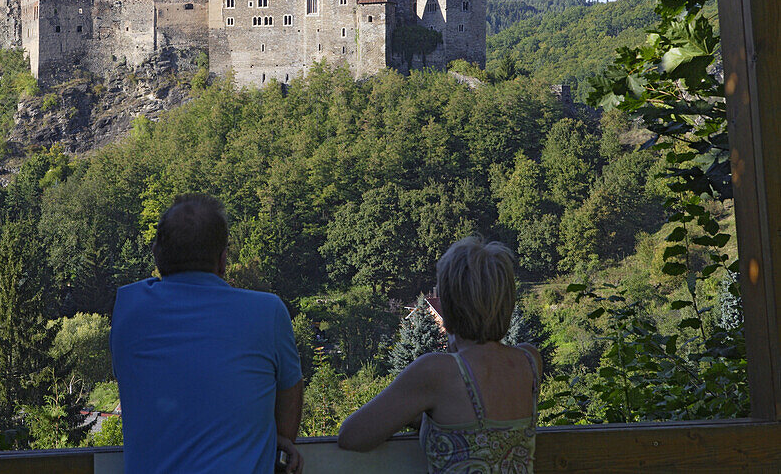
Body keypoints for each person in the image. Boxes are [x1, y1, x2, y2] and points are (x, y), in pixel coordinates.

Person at [110, 193, 304, 474]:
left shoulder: (129, 309)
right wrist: (281, 439)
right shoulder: (268, 312)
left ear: (156, 253)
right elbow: (290, 393)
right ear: (223, 259)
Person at [337, 236, 541, 473]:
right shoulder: (529, 361)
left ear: (450, 305)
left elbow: (351, 436)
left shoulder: (437, 371)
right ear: (507, 301)